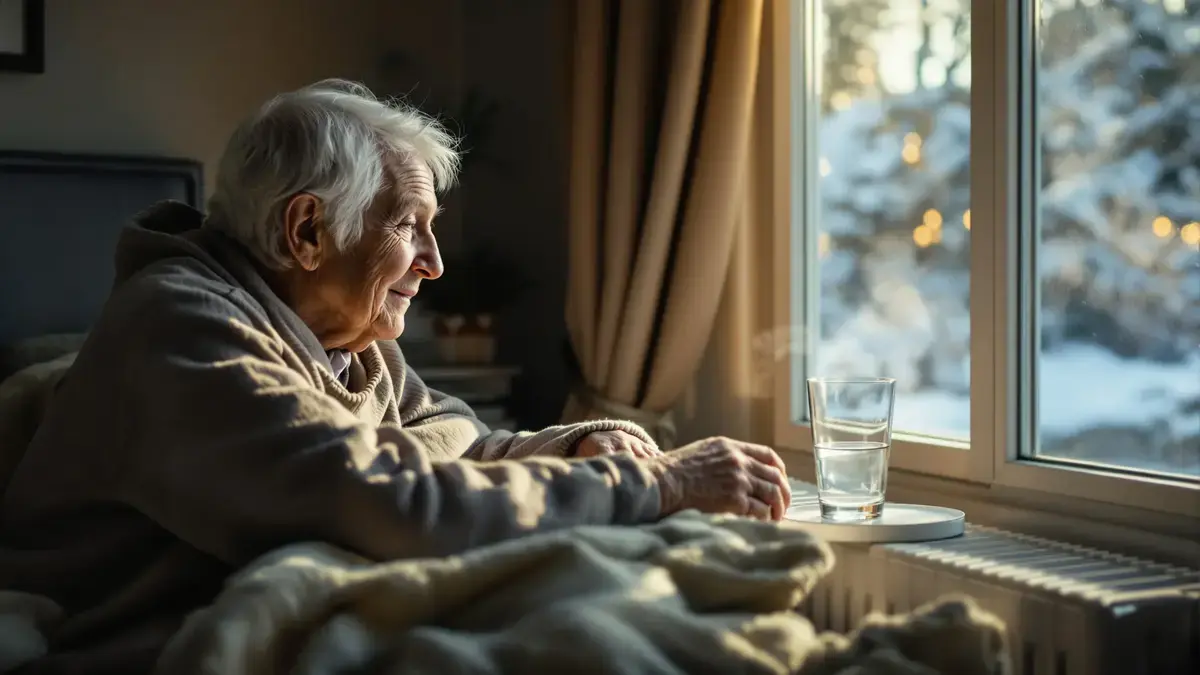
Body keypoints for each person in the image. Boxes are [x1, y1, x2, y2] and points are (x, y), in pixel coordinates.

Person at [0, 79, 791, 674]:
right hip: (106, 633)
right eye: (409, 226)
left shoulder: (348, 338)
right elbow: (391, 501)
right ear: (306, 229)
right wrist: (660, 485)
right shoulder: (178, 329)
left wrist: (590, 441)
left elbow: (458, 447)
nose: (435, 263)